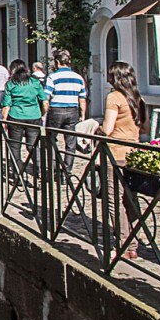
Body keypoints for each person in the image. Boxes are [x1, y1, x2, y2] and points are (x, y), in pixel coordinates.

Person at [97, 61, 149, 260]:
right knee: (130, 199)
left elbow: (108, 129)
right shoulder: (139, 99)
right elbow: (144, 129)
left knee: (114, 200)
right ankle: (132, 243)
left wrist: (97, 129)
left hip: (116, 153)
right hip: (134, 154)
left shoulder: (114, 97)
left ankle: (124, 244)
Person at [1, 59, 47, 181]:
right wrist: (42, 114)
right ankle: (40, 170)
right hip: (33, 116)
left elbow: (6, 105)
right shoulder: (35, 82)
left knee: (15, 147)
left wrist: (4, 121)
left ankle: (18, 174)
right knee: (33, 146)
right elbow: (45, 101)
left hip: (16, 117)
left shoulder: (11, 84)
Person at [44, 48, 87, 177]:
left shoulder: (53, 77)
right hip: (72, 110)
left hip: (56, 110)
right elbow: (82, 99)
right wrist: (82, 114)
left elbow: (46, 97)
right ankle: (66, 170)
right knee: (71, 142)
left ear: (58, 62)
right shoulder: (78, 78)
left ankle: (54, 168)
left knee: (51, 140)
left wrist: (43, 113)